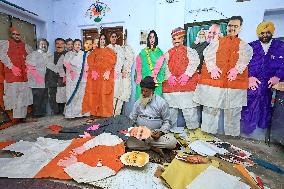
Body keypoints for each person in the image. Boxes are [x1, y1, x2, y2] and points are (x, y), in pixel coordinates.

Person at [193, 16, 253, 136]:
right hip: (215, 83)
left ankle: (231, 138)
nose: (232, 28)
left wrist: (237, 69)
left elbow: (246, 57)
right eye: (230, 25)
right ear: (227, 27)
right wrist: (212, 68)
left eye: (235, 26)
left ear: (240, 28)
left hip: (234, 84)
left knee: (233, 110)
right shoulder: (217, 41)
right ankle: (207, 135)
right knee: (210, 108)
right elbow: (208, 55)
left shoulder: (244, 45)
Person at [241, 21, 284, 139]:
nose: (264, 35)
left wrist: (278, 76)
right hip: (253, 80)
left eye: (267, 32)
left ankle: (262, 128)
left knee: (266, 103)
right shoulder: (250, 46)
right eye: (262, 33)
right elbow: (242, 64)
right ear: (258, 34)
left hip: (272, 81)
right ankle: (247, 129)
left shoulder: (280, 46)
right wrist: (249, 77)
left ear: (272, 32)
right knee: (252, 98)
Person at [155, 27, 200, 129]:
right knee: (171, 112)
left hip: (187, 86)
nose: (176, 41)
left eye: (179, 38)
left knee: (190, 111)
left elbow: (194, 62)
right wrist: (169, 76)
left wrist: (187, 74)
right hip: (172, 87)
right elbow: (162, 66)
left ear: (183, 39)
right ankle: (171, 134)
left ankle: (193, 134)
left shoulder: (190, 51)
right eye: (174, 39)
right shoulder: (167, 53)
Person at [126, 76, 177, 155]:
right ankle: (152, 147)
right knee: (129, 143)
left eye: (146, 91)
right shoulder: (138, 102)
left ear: (152, 91)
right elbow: (131, 118)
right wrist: (134, 130)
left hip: (155, 134)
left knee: (172, 142)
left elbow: (167, 121)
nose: (143, 93)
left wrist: (160, 132)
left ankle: (147, 145)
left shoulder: (162, 103)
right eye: (142, 90)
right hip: (140, 133)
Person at [0, 27, 33, 119]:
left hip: (25, 77)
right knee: (14, 97)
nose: (16, 36)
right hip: (12, 76)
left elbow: (32, 58)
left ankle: (23, 117)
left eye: (18, 34)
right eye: (14, 34)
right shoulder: (6, 44)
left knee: (24, 97)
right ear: (11, 35)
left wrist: (29, 68)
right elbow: (2, 56)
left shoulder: (26, 46)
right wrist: (11, 66)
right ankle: (15, 119)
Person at [82, 34, 116, 117]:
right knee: (95, 94)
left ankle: (106, 114)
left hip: (105, 77)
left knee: (105, 94)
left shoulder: (110, 51)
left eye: (104, 39)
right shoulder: (94, 51)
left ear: (106, 40)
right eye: (101, 39)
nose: (102, 41)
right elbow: (90, 60)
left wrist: (108, 71)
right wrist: (93, 70)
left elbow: (113, 61)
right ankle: (95, 113)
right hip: (96, 77)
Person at [26, 38, 54, 117]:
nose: (43, 45)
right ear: (38, 45)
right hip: (36, 80)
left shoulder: (48, 55)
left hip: (45, 80)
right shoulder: (33, 54)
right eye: (42, 44)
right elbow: (30, 67)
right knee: (37, 97)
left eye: (45, 44)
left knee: (44, 97)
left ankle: (42, 113)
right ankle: (37, 114)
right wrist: (37, 77)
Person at [64, 39, 90, 118]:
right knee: (72, 95)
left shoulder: (83, 54)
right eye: (76, 44)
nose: (77, 46)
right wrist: (72, 72)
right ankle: (70, 114)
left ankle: (80, 113)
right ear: (73, 45)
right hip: (72, 78)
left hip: (81, 78)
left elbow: (87, 65)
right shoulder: (69, 54)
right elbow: (66, 64)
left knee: (80, 96)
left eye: (79, 44)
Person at [135, 30, 165, 100]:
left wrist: (155, 76)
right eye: (150, 37)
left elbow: (162, 67)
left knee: (155, 103)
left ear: (156, 39)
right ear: (148, 39)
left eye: (153, 37)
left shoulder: (160, 52)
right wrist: (139, 76)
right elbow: (138, 64)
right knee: (142, 102)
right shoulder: (143, 51)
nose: (152, 39)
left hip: (155, 81)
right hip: (144, 81)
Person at [107, 31, 126, 115]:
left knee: (119, 95)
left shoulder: (120, 48)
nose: (114, 38)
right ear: (110, 38)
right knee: (112, 97)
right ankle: (110, 116)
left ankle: (117, 115)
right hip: (110, 75)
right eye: (112, 37)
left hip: (119, 75)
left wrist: (123, 71)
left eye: (115, 37)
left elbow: (123, 61)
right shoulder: (107, 48)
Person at [45, 38, 66, 115]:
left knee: (62, 100)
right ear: (55, 45)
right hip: (51, 82)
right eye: (57, 43)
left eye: (61, 43)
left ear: (64, 45)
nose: (59, 45)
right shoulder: (50, 56)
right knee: (53, 100)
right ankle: (55, 115)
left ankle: (62, 116)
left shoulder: (67, 55)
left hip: (62, 82)